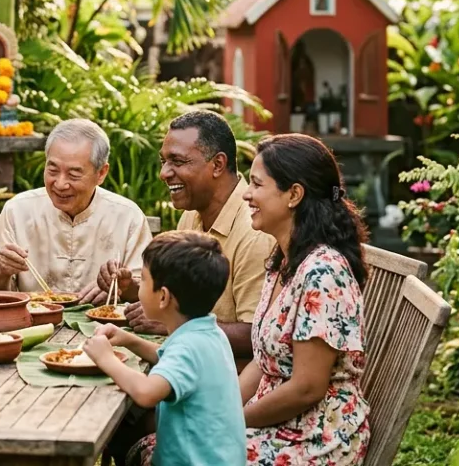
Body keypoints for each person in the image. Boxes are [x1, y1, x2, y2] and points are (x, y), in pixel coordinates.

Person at [239, 134, 370, 465]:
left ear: (294, 195)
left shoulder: (322, 274)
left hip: (316, 438)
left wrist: (232, 421)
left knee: (171, 452)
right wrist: (223, 410)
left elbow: (307, 388)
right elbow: (263, 360)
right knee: (164, 442)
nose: (246, 194)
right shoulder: (286, 261)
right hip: (282, 425)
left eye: (257, 184)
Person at [83, 232, 246, 466]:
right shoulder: (206, 332)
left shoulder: (189, 346)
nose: (139, 287)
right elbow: (167, 358)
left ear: (163, 297)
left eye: (145, 280)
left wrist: (106, 358)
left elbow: (147, 392)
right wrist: (129, 339)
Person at [126, 111, 274, 361]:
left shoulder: (254, 231)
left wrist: (175, 325)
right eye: (164, 161)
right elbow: (173, 294)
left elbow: (256, 334)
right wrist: (130, 289)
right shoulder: (193, 212)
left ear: (217, 165)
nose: (164, 173)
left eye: (178, 161)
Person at [0, 119, 153, 303]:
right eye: (53, 170)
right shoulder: (17, 210)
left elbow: (148, 292)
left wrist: (123, 287)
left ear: (101, 173)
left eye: (74, 174)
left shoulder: (128, 217)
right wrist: (2, 270)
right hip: (32, 324)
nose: (60, 184)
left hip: (104, 327)